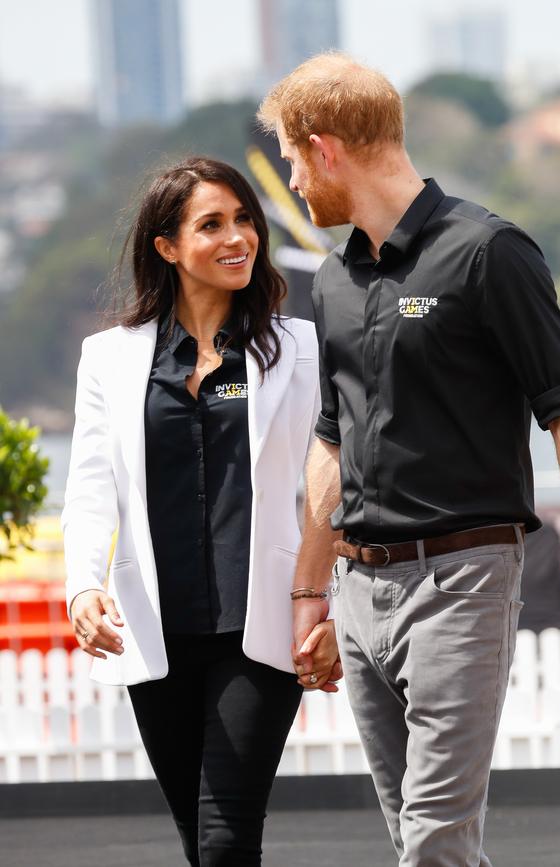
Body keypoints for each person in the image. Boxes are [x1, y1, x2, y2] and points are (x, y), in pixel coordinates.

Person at [258, 54, 560, 867]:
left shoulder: (489, 252)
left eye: (293, 158)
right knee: (423, 838)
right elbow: (331, 440)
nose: (291, 180)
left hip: (463, 579)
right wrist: (310, 595)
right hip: (359, 591)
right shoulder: (329, 280)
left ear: (326, 149)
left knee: (432, 839)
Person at [62, 157, 340, 867]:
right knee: (199, 838)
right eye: (211, 224)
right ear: (166, 246)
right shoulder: (109, 359)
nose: (238, 237)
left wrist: (333, 601)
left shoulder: (301, 348)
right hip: (154, 628)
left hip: (263, 622)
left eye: (244, 219)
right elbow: (92, 483)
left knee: (225, 835)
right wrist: (83, 583)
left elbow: (336, 481)